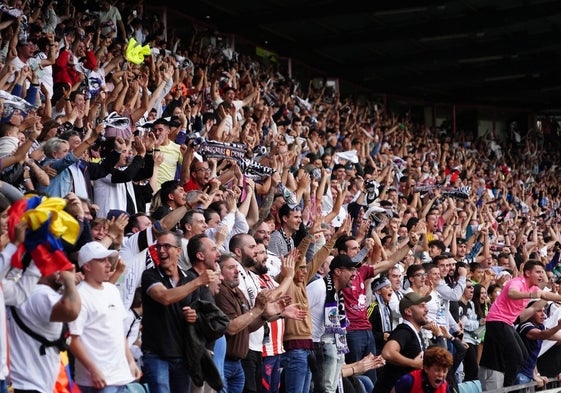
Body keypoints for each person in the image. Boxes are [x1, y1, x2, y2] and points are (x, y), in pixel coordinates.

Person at [141, 231, 219, 393]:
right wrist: (198, 281)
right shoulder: (150, 275)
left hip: (183, 355)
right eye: (158, 247)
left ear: (178, 251)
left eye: (166, 246)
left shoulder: (189, 279)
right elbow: (164, 297)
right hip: (156, 354)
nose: (161, 250)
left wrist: (194, 317)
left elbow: (197, 313)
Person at [69, 241, 142, 392]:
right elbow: (72, 340)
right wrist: (93, 370)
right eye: (102, 260)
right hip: (98, 381)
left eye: (108, 259)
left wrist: (130, 362)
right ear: (87, 266)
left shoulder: (111, 290)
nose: (108, 264)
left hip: (120, 376)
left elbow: (118, 332)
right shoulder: (80, 295)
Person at [479, 259, 561, 389]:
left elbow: (546, 295)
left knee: (523, 354)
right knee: (516, 355)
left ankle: (509, 384)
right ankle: (508, 387)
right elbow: (512, 293)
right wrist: (529, 294)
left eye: (542, 272)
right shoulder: (517, 282)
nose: (541, 275)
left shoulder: (532, 287)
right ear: (528, 273)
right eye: (538, 272)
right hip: (497, 320)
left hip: (508, 323)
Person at [7, 268, 81, 393]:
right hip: (32, 383)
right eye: (56, 265)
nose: (62, 269)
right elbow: (72, 310)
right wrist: (69, 282)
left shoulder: (24, 292)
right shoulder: (40, 294)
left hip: (25, 382)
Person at [307, 254, 360, 393]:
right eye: (351, 270)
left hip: (331, 343)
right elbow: (300, 311)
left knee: (331, 388)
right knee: (323, 388)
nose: (355, 274)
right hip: (314, 345)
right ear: (337, 272)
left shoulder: (337, 293)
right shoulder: (318, 287)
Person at [373, 292, 432, 393]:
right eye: (421, 306)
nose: (427, 309)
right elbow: (387, 353)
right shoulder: (404, 331)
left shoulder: (414, 332)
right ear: (408, 311)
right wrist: (414, 363)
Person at [515, 303, 561, 388]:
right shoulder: (525, 326)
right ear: (530, 313)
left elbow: (533, 356)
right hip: (520, 374)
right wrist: (558, 326)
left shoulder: (540, 326)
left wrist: (537, 374)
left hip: (528, 374)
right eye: (539, 311)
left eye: (544, 311)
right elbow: (541, 335)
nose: (543, 314)